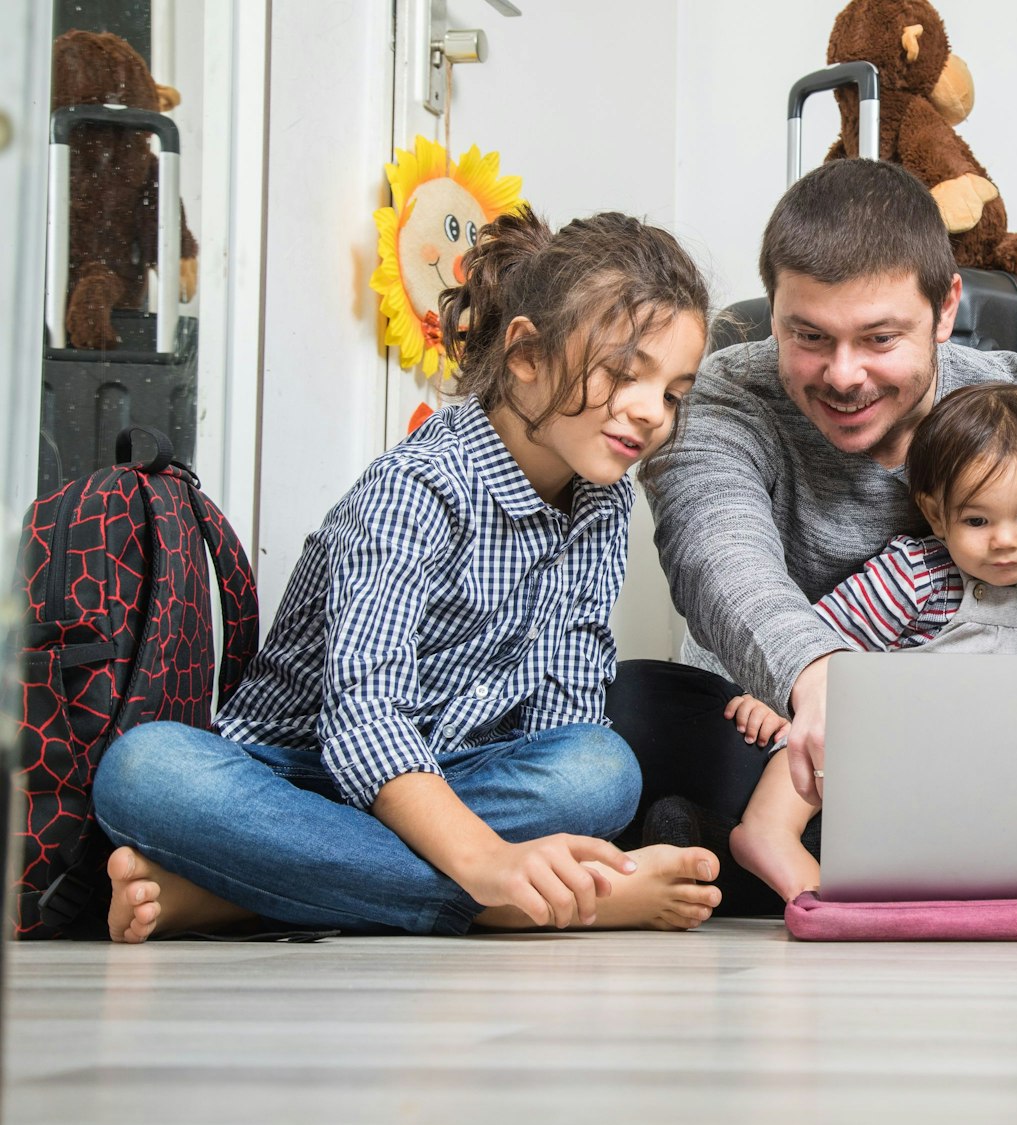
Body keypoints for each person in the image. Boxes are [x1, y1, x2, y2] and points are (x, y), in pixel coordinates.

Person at [90, 208, 726, 942]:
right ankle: (494, 902)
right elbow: (364, 720)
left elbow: (563, 717)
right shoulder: (418, 487)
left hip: (453, 779)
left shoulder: (604, 500)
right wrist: (488, 862)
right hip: (297, 775)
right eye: (623, 374)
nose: (651, 413)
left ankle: (247, 890)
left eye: (673, 393)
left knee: (602, 768)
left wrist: (496, 829)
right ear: (524, 353)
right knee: (145, 769)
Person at [621, 160, 1017, 901]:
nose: (844, 375)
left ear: (945, 309)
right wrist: (817, 679)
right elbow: (716, 554)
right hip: (777, 735)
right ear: (774, 314)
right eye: (808, 336)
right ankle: (867, 853)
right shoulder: (723, 393)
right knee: (629, 709)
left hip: (983, 742)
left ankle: (733, 852)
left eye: (880, 338)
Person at [728, 382, 1017, 902]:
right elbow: (817, 644)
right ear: (937, 515)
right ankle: (769, 830)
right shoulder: (918, 574)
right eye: (977, 520)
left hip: (961, 778)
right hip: (886, 758)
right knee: (838, 715)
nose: (1006, 540)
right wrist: (769, 700)